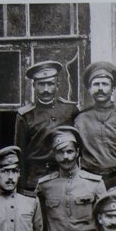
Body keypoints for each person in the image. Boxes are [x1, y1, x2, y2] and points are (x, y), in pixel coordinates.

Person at [73, 61, 116, 188]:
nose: (100, 88)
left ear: (112, 88)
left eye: (105, 84)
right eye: (96, 84)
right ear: (89, 89)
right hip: (89, 180)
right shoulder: (80, 119)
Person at [15, 61, 78, 190]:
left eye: (50, 84)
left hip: (65, 177)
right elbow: (20, 154)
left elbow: (79, 147)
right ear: (34, 85)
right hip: (36, 179)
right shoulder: (25, 115)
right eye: (41, 84)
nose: (46, 90)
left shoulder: (70, 110)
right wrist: (22, 187)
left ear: (57, 85)